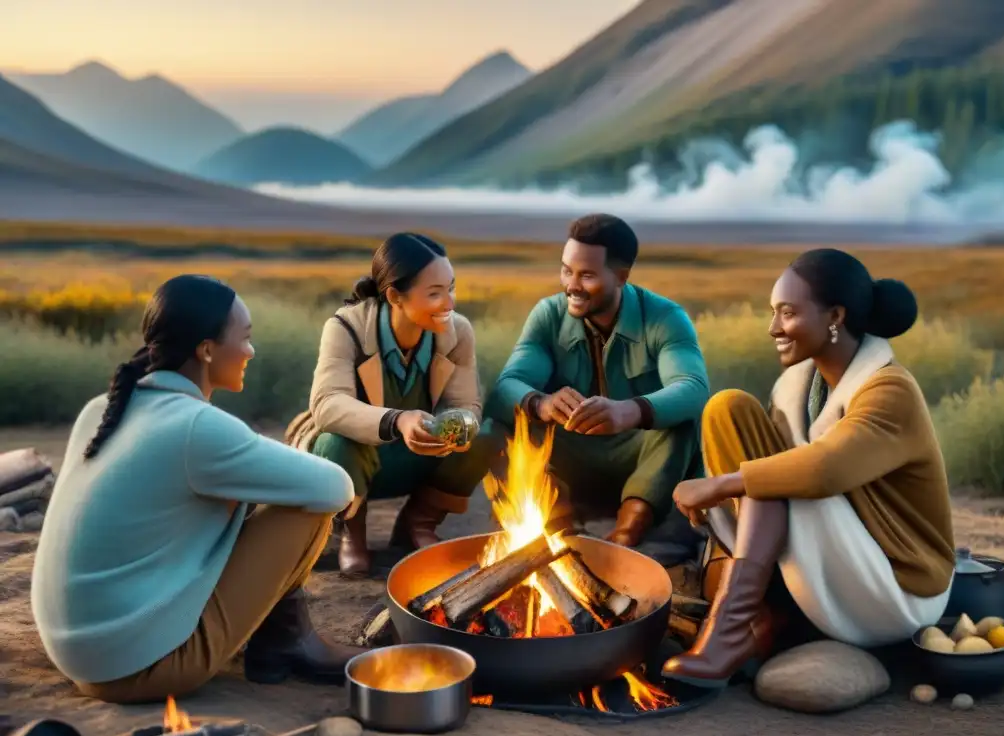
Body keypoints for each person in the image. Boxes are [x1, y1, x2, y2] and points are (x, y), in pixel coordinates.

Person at [31, 275, 359, 704]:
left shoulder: (102, 411)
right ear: (206, 350)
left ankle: (278, 640)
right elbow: (337, 487)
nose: (250, 351)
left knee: (254, 495)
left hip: (78, 653)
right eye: (245, 339)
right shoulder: (196, 428)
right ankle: (287, 642)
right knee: (306, 511)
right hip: (141, 668)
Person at [662, 248, 956, 688]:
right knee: (728, 409)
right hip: (839, 561)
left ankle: (730, 633)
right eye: (773, 312)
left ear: (835, 316)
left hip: (895, 587)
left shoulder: (891, 391)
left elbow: (824, 470)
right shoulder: (799, 387)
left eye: (787, 312)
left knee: (785, 478)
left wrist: (717, 486)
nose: (773, 327)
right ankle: (763, 617)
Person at [486, 214, 710, 547]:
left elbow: (694, 389)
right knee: (497, 429)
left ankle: (628, 533)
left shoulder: (665, 318)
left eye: (586, 275)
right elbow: (506, 387)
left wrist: (630, 412)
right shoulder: (548, 315)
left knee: (681, 422)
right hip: (568, 462)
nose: (571, 285)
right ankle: (560, 530)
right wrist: (542, 404)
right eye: (566, 270)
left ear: (621, 276)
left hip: (642, 465)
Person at [289, 233, 498, 578]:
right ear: (394, 296)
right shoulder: (346, 327)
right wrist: (397, 420)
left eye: (451, 288)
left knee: (485, 436)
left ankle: (418, 521)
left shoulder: (457, 331)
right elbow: (326, 404)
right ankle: (351, 529)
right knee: (338, 441)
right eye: (435, 293)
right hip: (357, 457)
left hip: (421, 456)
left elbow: (467, 405)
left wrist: (453, 426)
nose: (449, 303)